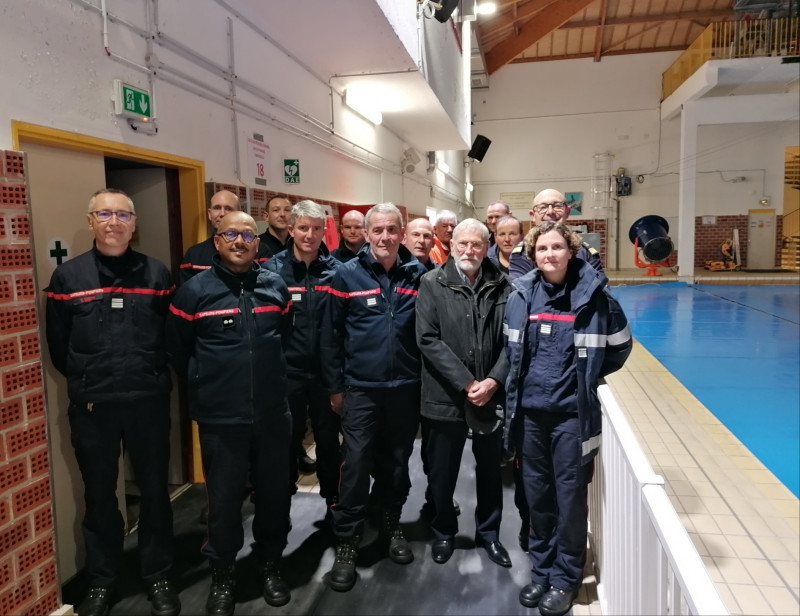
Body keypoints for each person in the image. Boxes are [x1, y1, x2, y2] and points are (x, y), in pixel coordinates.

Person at [45, 189, 179, 616]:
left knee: (155, 492)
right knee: (100, 496)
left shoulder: (157, 274)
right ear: (91, 222)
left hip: (148, 403)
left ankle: (158, 574)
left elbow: (171, 338)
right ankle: (103, 579)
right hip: (94, 408)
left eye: (123, 214)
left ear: (134, 223)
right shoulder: (69, 279)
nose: (114, 222)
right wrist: (89, 380)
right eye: (105, 213)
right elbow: (59, 346)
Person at [166, 212, 293, 614]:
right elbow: (177, 349)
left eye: (248, 235)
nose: (240, 241)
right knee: (222, 502)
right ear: (217, 242)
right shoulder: (193, 292)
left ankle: (270, 563)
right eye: (231, 234)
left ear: (258, 243)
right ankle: (223, 573)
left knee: (275, 497)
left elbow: (283, 339)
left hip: (273, 414)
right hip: (221, 420)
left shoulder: (275, 287)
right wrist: (208, 384)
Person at [504, 222, 631, 616]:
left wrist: (587, 377)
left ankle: (565, 577)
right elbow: (512, 356)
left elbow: (620, 347)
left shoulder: (594, 298)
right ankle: (541, 571)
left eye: (557, 247)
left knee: (570, 500)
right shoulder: (522, 296)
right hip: (530, 419)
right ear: (533, 254)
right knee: (538, 499)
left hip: (571, 420)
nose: (549, 255)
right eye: (542, 248)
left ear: (571, 251)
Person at [320, 203, 427, 592]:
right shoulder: (344, 276)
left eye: (391, 230)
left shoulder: (419, 275)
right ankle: (347, 541)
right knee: (357, 462)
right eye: (377, 230)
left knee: (397, 462)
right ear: (366, 234)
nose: (384, 237)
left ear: (402, 233)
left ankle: (390, 520)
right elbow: (330, 339)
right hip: (360, 390)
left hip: (405, 388)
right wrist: (336, 387)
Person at [416, 219, 512, 568]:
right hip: (444, 395)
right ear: (452, 244)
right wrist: (467, 382)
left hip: (491, 394)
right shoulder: (431, 283)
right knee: (442, 472)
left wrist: (494, 381)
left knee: (490, 471)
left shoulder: (504, 285)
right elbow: (427, 339)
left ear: (487, 247)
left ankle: (489, 535)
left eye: (477, 244)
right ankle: (443, 531)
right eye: (463, 244)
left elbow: (512, 340)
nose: (469, 251)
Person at [265, 200, 342, 515]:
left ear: (324, 230)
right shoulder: (271, 271)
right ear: (291, 229)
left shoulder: (338, 271)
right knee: (284, 443)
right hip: (287, 374)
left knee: (329, 443)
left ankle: (334, 502)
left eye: (316, 228)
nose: (309, 235)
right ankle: (279, 505)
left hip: (327, 376)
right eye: (303, 228)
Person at [179, 190, 269, 285]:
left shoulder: (259, 251)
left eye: (228, 208)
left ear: (239, 213)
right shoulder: (193, 255)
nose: (222, 213)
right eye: (217, 208)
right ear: (210, 214)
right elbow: (186, 295)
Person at [509, 189, 602, 280]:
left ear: (567, 212)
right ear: (533, 215)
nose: (550, 212)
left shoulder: (586, 253)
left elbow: (600, 291)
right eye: (542, 207)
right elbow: (521, 292)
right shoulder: (521, 255)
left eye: (557, 206)